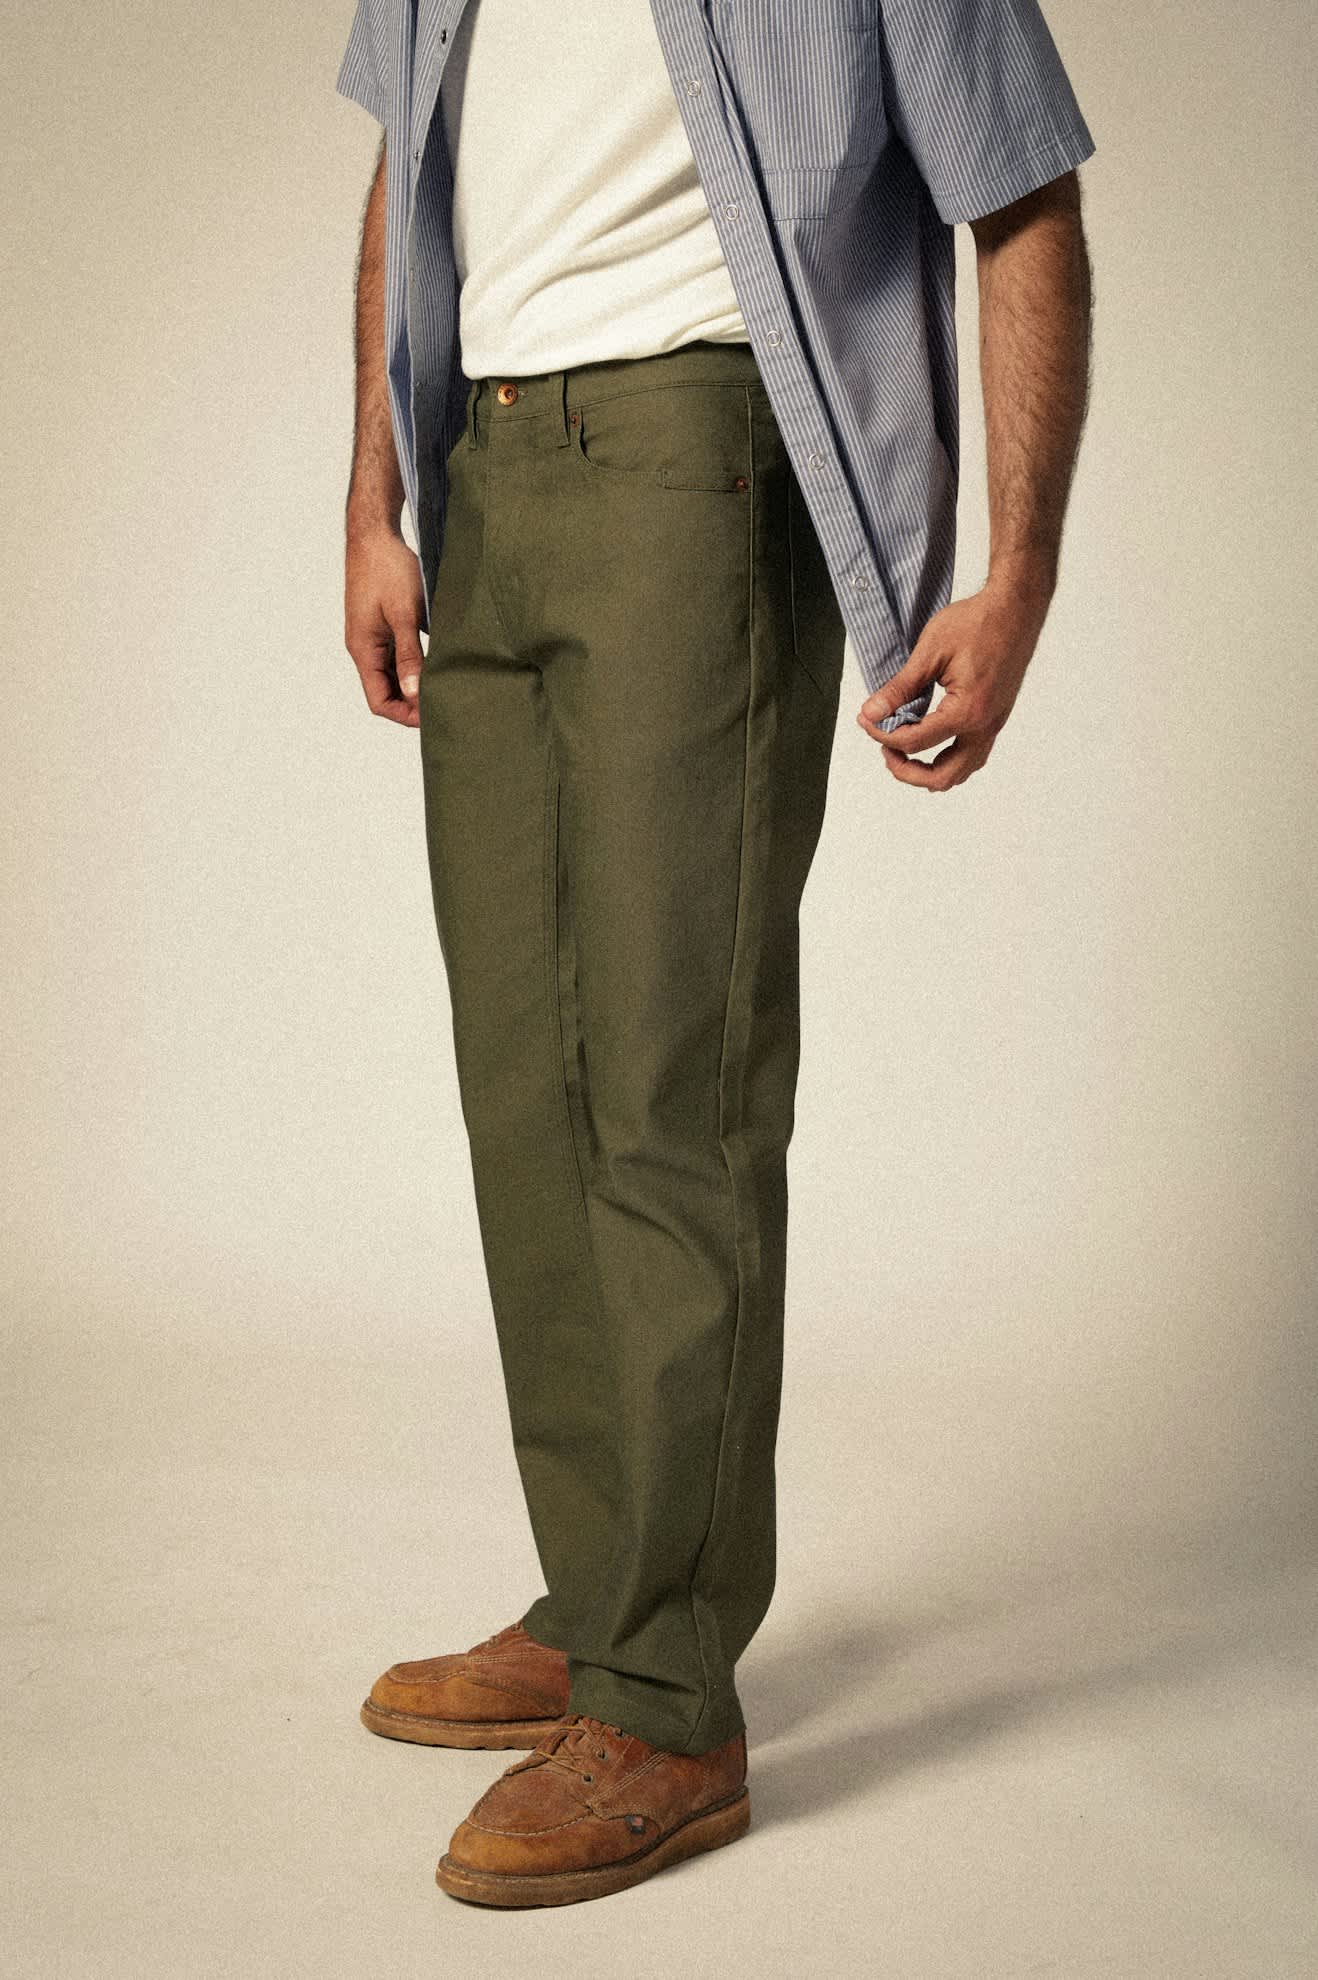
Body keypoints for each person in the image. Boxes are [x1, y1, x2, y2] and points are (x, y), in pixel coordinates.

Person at [335, 0, 1096, 1909]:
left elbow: (1021, 194)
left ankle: (668, 1702)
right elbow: (404, 165)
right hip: (485, 458)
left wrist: (1016, 576)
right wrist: (373, 497)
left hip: (701, 448)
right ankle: (604, 1602)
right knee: (528, 1092)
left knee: (672, 1088)